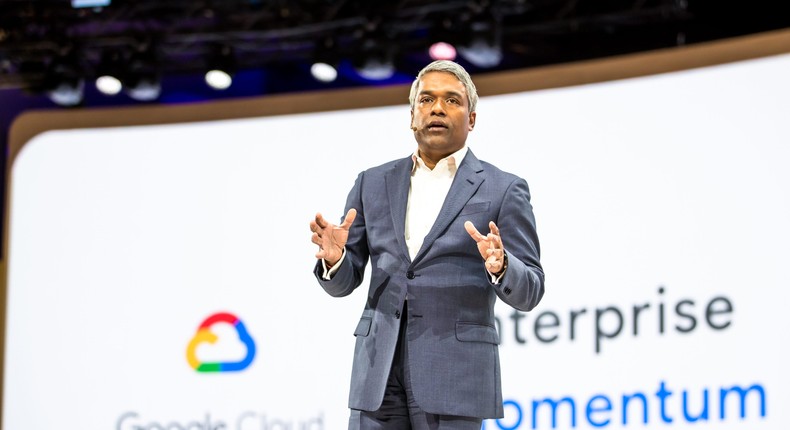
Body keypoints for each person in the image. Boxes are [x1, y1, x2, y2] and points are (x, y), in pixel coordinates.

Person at [309, 60, 545, 429]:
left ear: (472, 119)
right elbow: (344, 283)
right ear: (412, 114)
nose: (437, 108)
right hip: (378, 373)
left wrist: (501, 266)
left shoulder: (503, 188)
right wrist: (336, 260)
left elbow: (530, 289)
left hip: (455, 377)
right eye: (426, 99)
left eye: (452, 100)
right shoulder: (372, 182)